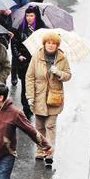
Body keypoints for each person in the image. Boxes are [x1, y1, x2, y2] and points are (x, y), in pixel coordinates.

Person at [25, 32, 71, 166]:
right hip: (39, 97)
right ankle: (40, 150)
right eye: (48, 43)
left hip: (54, 98)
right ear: (44, 44)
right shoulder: (36, 57)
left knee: (50, 126)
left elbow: (68, 75)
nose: (51, 46)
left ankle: (49, 152)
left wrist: (59, 73)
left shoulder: (62, 58)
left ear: (57, 45)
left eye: (53, 43)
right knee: (39, 126)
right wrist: (30, 96)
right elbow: (30, 77)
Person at [12, 6, 45, 117]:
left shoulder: (42, 29)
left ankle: (34, 105)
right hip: (24, 63)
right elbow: (14, 43)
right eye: (27, 15)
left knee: (37, 86)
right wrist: (18, 55)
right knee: (25, 86)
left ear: (36, 16)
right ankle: (26, 107)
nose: (29, 18)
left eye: (31, 15)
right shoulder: (21, 28)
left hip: (37, 63)